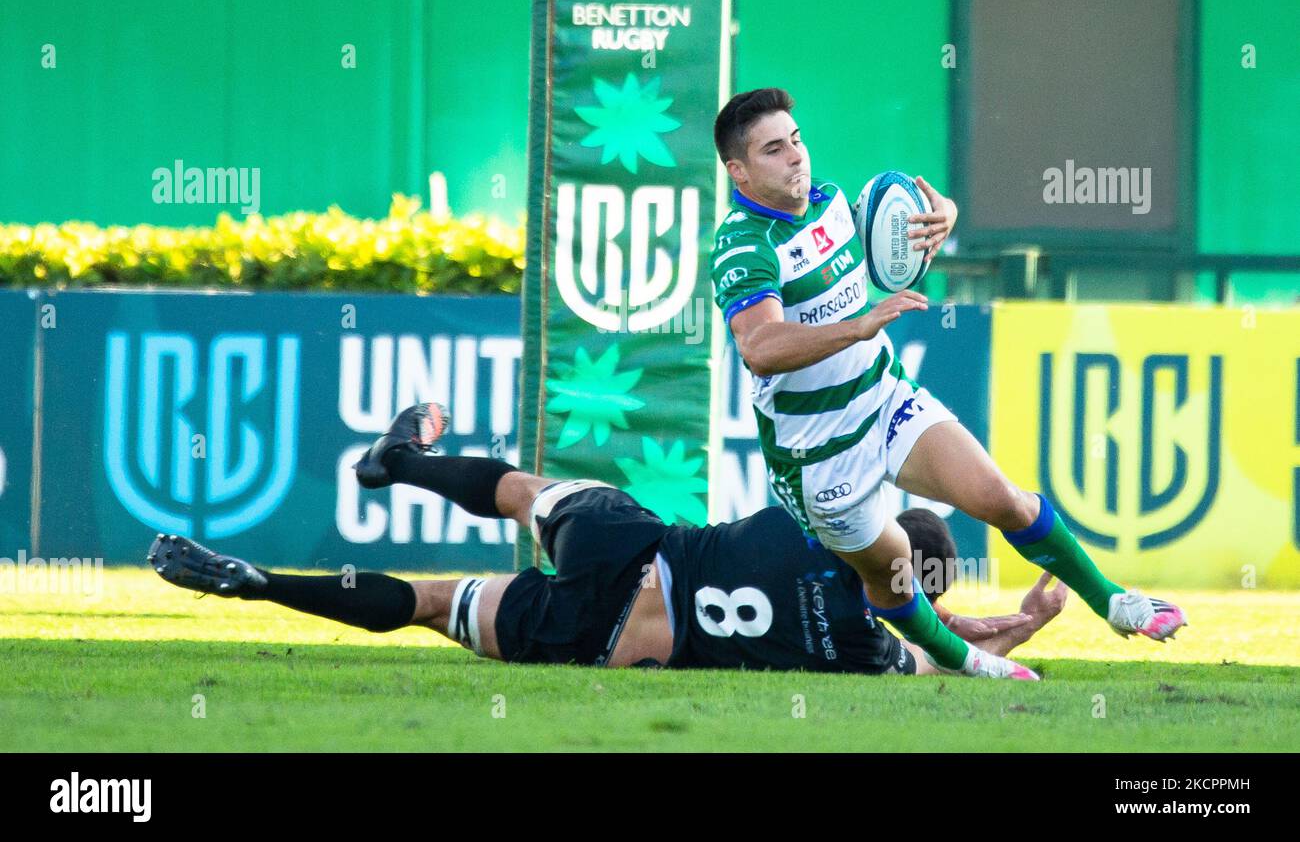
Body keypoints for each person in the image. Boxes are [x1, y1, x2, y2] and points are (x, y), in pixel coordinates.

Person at [709, 87, 1186, 680]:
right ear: (739, 171)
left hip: (884, 400)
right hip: (817, 455)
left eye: (797, 141)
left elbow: (898, 240)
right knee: (891, 571)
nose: (797, 157)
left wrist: (944, 219)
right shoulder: (742, 244)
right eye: (774, 150)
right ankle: (965, 661)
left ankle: (1112, 600)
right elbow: (759, 348)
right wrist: (858, 326)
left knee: (1001, 499)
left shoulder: (833, 203)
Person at [147, 404, 1065, 675]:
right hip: (623, 642)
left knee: (519, 492)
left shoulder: (821, 521)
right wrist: (1020, 624)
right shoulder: (871, 650)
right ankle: (262, 583)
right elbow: (946, 652)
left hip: (631, 547)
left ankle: (402, 461)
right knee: (430, 604)